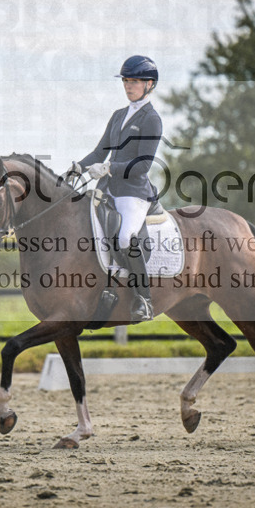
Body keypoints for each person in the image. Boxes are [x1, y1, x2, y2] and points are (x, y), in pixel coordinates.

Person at [65, 55, 162, 323]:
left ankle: (144, 299)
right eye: (126, 81)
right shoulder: (119, 115)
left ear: (149, 84)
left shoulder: (151, 119)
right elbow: (100, 151)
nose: (128, 86)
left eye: (134, 81)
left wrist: (109, 168)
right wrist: (79, 167)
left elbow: (142, 165)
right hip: (108, 190)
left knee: (124, 238)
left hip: (134, 193)